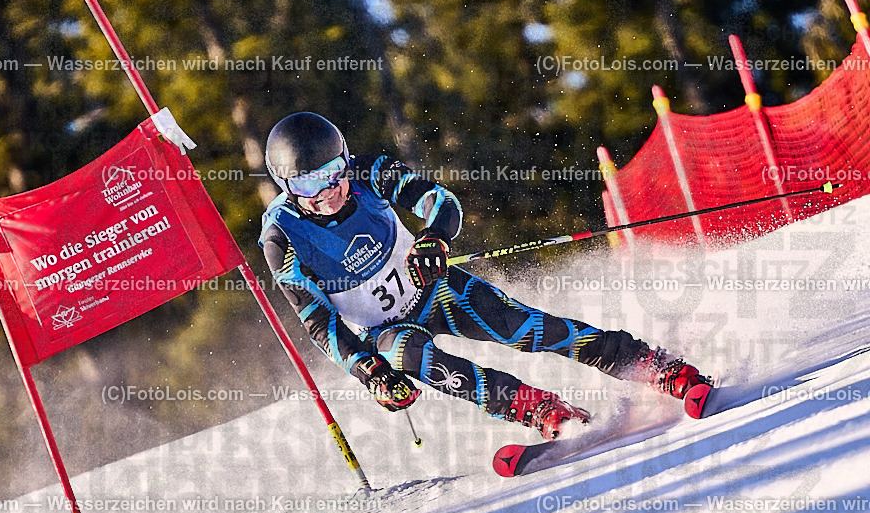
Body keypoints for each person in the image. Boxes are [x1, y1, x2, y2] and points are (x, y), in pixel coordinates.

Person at [259, 112, 712, 440]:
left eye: (333, 173)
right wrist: (370, 371)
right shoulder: (281, 236)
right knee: (406, 356)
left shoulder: (369, 173)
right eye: (307, 184)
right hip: (383, 330)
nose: (327, 191)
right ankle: (537, 408)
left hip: (434, 289)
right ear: (287, 187)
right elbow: (318, 321)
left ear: (346, 160)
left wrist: (435, 236)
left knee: (526, 329)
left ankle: (653, 366)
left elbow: (441, 202)